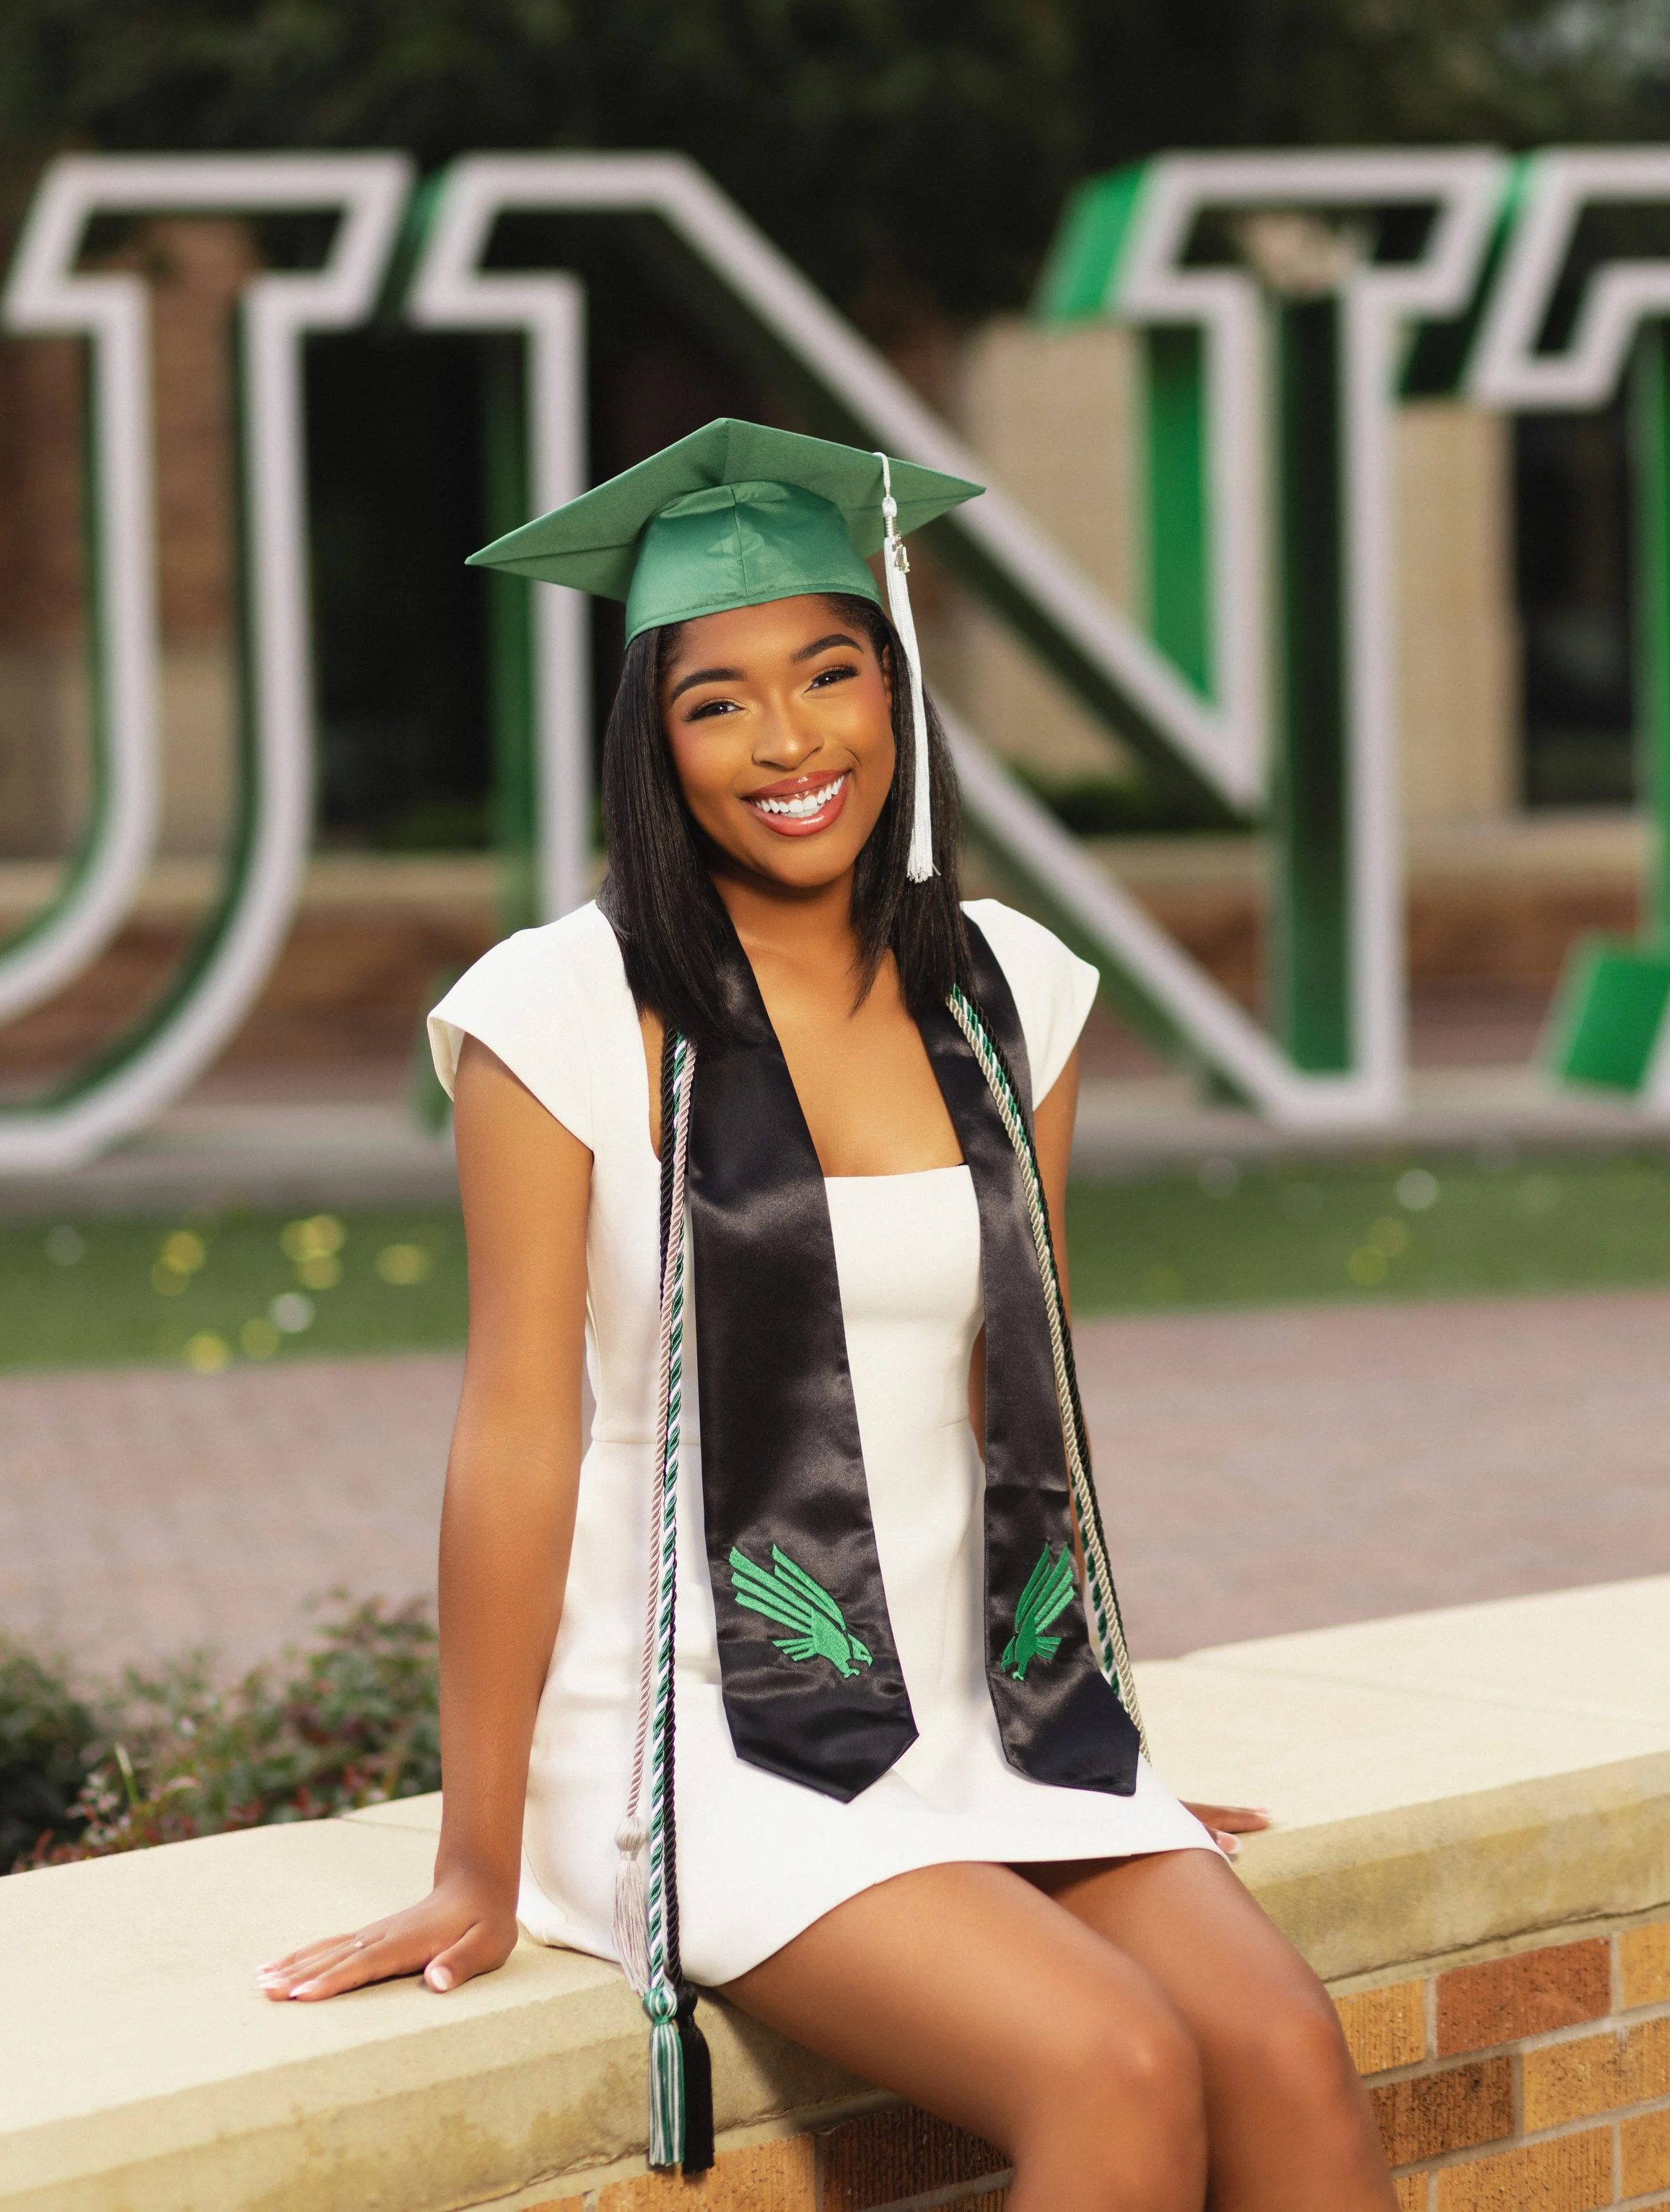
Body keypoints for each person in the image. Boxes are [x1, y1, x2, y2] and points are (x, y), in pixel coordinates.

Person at [261, 421, 1396, 2211]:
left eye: (829, 672)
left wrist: (1095, 1727)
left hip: (993, 1715)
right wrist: (475, 1855)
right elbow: (512, 1428)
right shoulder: (557, 1010)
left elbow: (1022, 1411)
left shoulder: (1008, 989)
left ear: (894, 688)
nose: (791, 742)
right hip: (705, 1735)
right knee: (1112, 2066)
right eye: (719, 701)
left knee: (1281, 2056)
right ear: (652, 735)